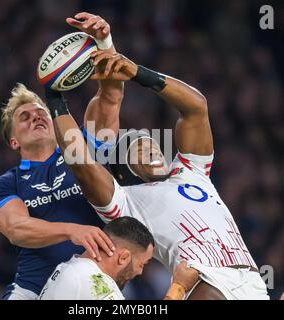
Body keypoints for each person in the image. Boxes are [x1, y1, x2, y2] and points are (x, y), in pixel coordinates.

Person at [43, 50, 270, 300]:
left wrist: (138, 73)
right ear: (122, 171)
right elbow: (82, 163)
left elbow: (196, 108)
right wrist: (54, 98)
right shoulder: (124, 202)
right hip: (207, 282)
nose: (151, 147)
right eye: (138, 147)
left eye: (152, 143)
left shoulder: (192, 171)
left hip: (254, 282)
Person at [0, 13, 124, 300]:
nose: (35, 117)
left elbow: (110, 98)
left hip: (93, 286)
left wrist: (104, 43)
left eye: (41, 112)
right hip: (31, 291)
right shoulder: (4, 183)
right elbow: (16, 228)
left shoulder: (81, 151)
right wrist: (72, 230)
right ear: (13, 141)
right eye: (24, 117)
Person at [39, 217, 199, 300]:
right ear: (124, 257)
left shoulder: (74, 268)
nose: (139, 272)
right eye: (142, 264)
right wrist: (179, 287)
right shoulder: (94, 281)